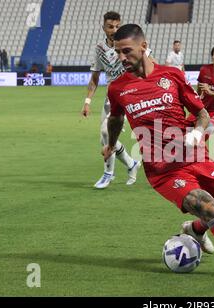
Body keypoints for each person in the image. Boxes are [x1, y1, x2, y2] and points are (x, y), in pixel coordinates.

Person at [103, 24, 214, 283]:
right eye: (117, 52)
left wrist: (197, 133)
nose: (121, 58)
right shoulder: (117, 87)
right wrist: (111, 145)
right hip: (164, 170)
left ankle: (195, 229)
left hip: (196, 156)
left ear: (143, 47)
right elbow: (115, 118)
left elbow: (201, 113)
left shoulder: (173, 76)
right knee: (206, 206)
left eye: (127, 51)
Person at [81, 11, 145, 189]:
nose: (114, 29)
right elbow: (94, 79)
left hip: (130, 94)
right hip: (112, 96)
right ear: (104, 28)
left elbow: (148, 62)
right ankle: (131, 164)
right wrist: (87, 102)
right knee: (105, 137)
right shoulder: (100, 48)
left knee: (105, 133)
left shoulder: (128, 43)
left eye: (117, 26)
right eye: (111, 26)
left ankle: (109, 174)